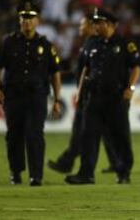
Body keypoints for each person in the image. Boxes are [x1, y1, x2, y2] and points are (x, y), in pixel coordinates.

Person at [65, 8, 140, 185]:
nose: (95, 26)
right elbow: (85, 67)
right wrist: (79, 92)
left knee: (120, 136)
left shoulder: (124, 43)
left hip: (116, 98)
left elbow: (136, 66)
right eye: (94, 23)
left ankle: (123, 172)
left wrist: (130, 87)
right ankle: (86, 174)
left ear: (108, 24)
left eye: (98, 23)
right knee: (88, 135)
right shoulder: (91, 43)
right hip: (94, 96)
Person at [0, 1, 61, 186]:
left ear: (37, 20)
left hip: (36, 96)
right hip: (13, 96)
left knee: (35, 134)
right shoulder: (8, 42)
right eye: (23, 18)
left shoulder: (45, 45)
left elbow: (55, 73)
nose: (27, 21)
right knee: (14, 135)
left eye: (30, 18)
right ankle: (16, 171)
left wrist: (57, 99)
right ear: (19, 20)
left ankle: (35, 175)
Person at [47, 15, 118, 174]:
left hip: (90, 95)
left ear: (91, 27)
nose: (79, 28)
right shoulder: (88, 43)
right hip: (89, 94)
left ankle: (67, 161)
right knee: (104, 131)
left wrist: (82, 93)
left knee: (81, 131)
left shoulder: (94, 44)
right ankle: (117, 162)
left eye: (82, 25)